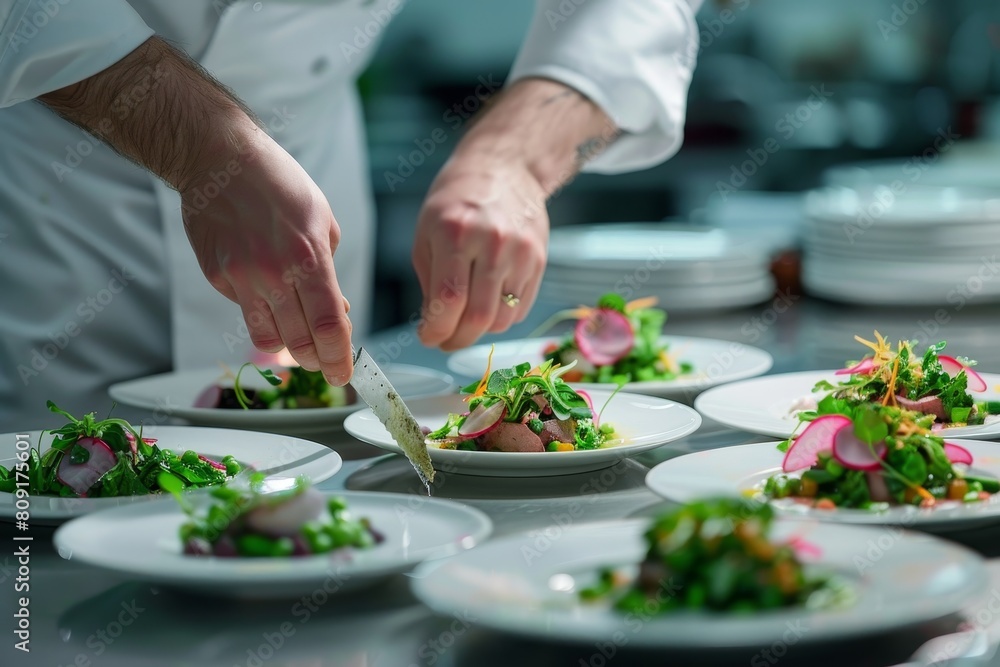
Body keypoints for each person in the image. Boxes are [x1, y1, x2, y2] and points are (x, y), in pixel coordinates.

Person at [0, 0, 703, 429]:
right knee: (45, 528)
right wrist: (207, 150)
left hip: (309, 145)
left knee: (302, 506)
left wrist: (513, 158)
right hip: (63, 178)